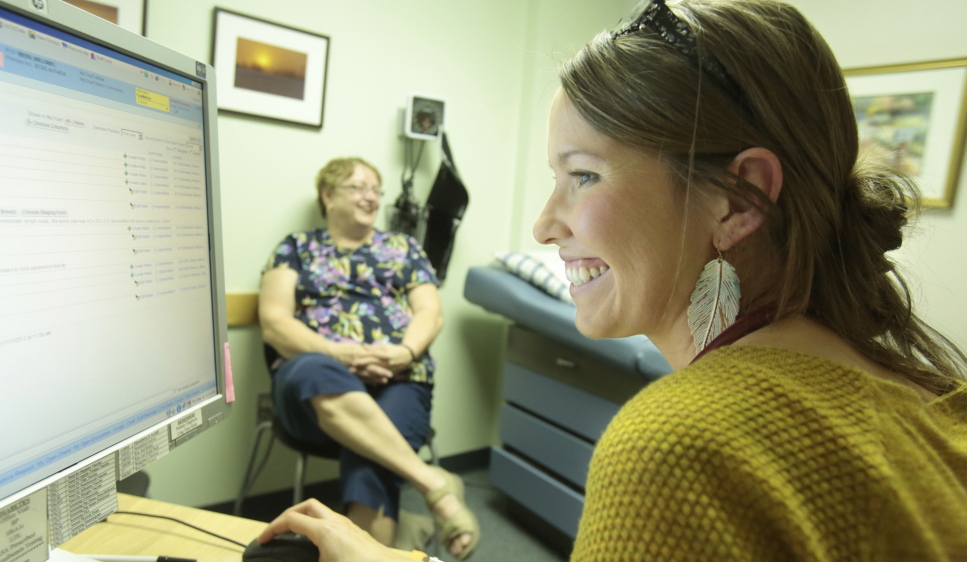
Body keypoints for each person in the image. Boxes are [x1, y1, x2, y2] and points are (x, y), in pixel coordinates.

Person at [255, 1, 967, 560]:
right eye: (553, 177)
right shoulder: (929, 395)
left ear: (738, 198)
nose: (541, 224)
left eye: (583, 175)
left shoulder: (682, 446)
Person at [257, 156, 479, 560]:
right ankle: (434, 486)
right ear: (328, 195)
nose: (371, 196)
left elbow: (431, 312)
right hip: (313, 384)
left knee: (371, 454)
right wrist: (339, 354)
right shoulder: (297, 247)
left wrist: (404, 352)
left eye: (376, 189)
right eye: (358, 187)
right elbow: (274, 322)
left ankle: (387, 543)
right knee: (315, 371)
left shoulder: (403, 247)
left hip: (398, 376)